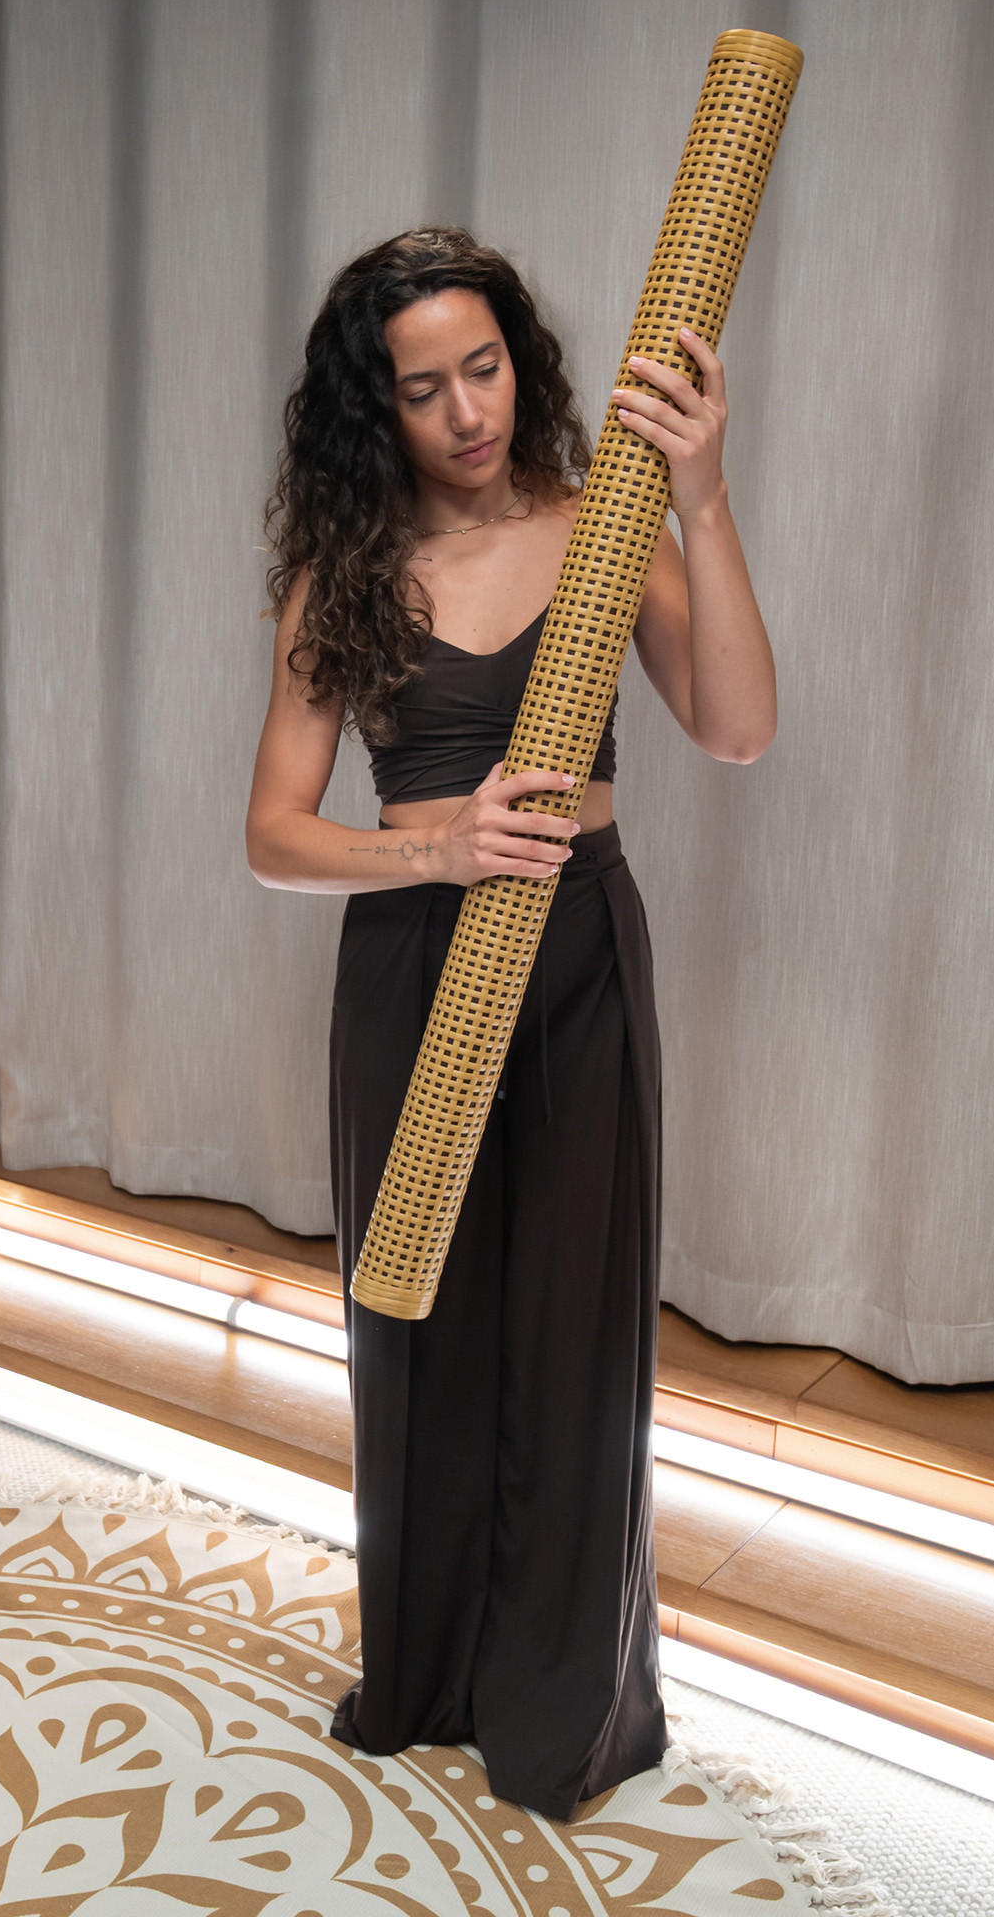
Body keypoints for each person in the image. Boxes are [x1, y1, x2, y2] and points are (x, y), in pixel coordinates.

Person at [246, 226, 775, 1819]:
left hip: (580, 950)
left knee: (574, 1327)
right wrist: (434, 851)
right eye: (423, 389)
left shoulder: (603, 530)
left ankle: (563, 1708)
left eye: (482, 368)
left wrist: (700, 497)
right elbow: (273, 834)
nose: (466, 412)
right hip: (412, 958)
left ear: (519, 364)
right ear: (377, 409)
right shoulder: (341, 576)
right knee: (415, 1326)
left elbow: (738, 729)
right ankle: (422, 1672)